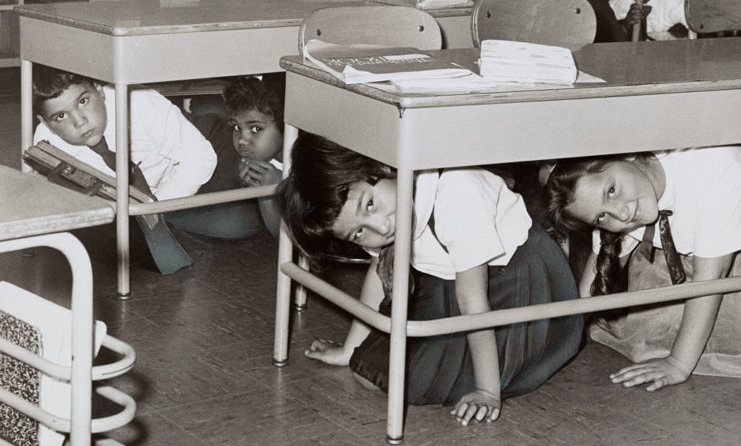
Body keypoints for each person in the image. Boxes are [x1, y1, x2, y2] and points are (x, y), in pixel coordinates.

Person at [278, 133, 583, 426]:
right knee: (367, 368)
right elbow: (378, 275)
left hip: (520, 283)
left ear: (382, 166)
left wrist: (487, 391)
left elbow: (473, 300)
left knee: (405, 378)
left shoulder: (456, 190)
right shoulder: (382, 214)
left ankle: (488, 370)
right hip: (453, 283)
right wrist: (349, 349)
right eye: (358, 232)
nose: (380, 228)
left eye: (369, 205)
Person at [543, 147, 741, 391]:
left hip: (722, 271)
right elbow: (590, 286)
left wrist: (678, 363)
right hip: (692, 265)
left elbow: (711, 279)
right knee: (634, 320)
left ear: (628, 154)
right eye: (601, 217)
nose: (622, 214)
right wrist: (563, 337)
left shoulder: (714, 167)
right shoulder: (626, 195)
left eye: (612, 190)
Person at [32, 66, 217, 274]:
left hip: (193, 148)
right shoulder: (45, 144)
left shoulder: (138, 101)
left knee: (237, 221)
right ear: (46, 124)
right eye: (60, 116)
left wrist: (154, 208)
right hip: (133, 202)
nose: (79, 121)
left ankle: (213, 109)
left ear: (99, 90)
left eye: (83, 101)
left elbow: (201, 158)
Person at [175, 75, 285, 238]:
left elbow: (285, 240)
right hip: (198, 153)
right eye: (236, 127)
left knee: (241, 223)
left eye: (256, 129)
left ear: (286, 124)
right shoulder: (220, 134)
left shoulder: (305, 163)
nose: (242, 140)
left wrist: (267, 194)